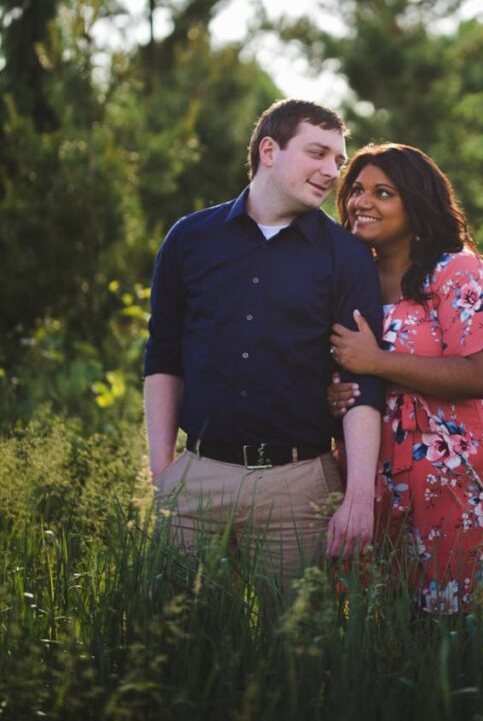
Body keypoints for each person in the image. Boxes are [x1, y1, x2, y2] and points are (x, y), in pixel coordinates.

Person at [144, 99, 384, 586]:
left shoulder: (348, 256)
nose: (331, 171)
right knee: (183, 644)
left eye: (337, 159)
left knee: (296, 650)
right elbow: (163, 356)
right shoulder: (189, 239)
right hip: (196, 481)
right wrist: (162, 473)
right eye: (317, 153)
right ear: (269, 151)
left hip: (299, 486)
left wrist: (358, 494)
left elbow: (363, 378)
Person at [327, 144, 483, 613]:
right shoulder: (352, 276)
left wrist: (375, 362)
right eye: (356, 190)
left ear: (415, 202)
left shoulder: (456, 269)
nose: (362, 202)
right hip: (371, 467)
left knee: (460, 617)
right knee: (383, 613)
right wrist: (334, 394)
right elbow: (337, 361)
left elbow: (478, 376)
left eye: (382, 192)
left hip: (452, 468)